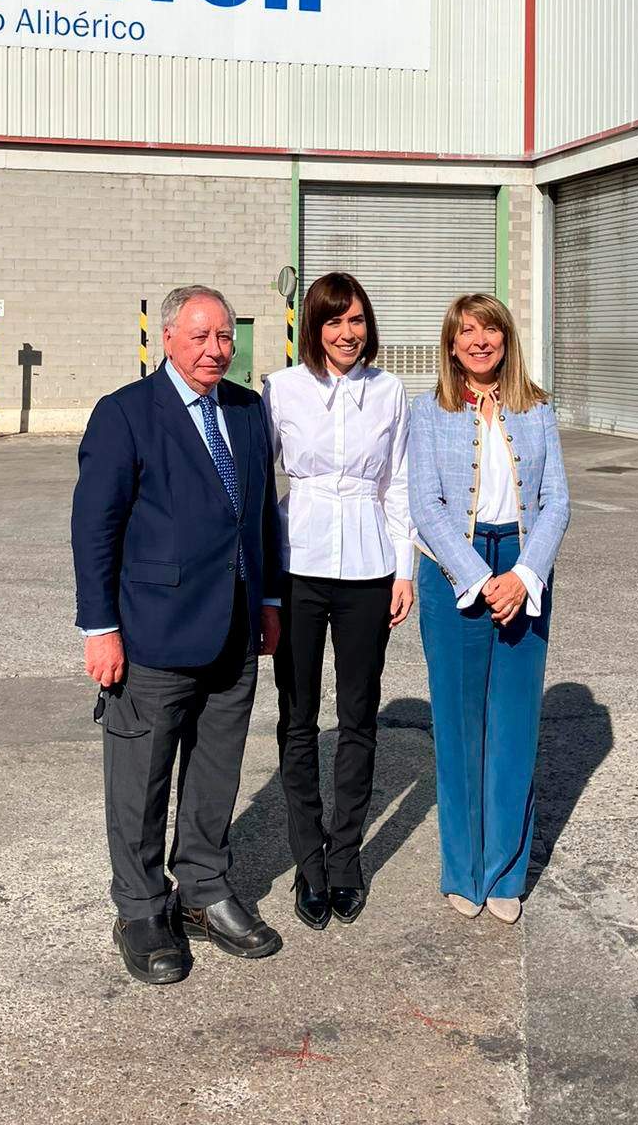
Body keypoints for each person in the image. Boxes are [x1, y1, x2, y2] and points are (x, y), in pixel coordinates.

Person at [72, 285, 285, 986]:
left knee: (217, 770)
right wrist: (101, 627)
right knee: (141, 778)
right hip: (153, 634)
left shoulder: (249, 413)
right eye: (199, 336)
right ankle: (139, 909)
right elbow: (95, 530)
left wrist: (271, 598)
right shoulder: (126, 415)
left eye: (223, 336)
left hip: (236, 629)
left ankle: (202, 889)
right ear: (167, 338)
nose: (214, 349)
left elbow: (259, 518)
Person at [408, 293, 569, 923]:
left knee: (513, 730)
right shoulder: (430, 410)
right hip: (455, 571)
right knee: (458, 727)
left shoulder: (538, 408)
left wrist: (524, 577)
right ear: (451, 344)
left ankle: (504, 871)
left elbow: (556, 501)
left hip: (523, 562)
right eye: (467, 332)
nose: (480, 341)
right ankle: (463, 871)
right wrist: (481, 577)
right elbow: (426, 506)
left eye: (491, 330)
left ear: (506, 338)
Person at [263, 272, 414, 931]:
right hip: (298, 563)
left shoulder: (390, 392)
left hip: (367, 566)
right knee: (298, 719)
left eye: (355, 321)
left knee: (357, 718)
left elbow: (400, 482)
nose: (346, 334)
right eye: (333, 321)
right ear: (313, 327)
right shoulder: (280, 388)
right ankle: (309, 860)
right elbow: (254, 474)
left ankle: (346, 857)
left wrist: (403, 570)